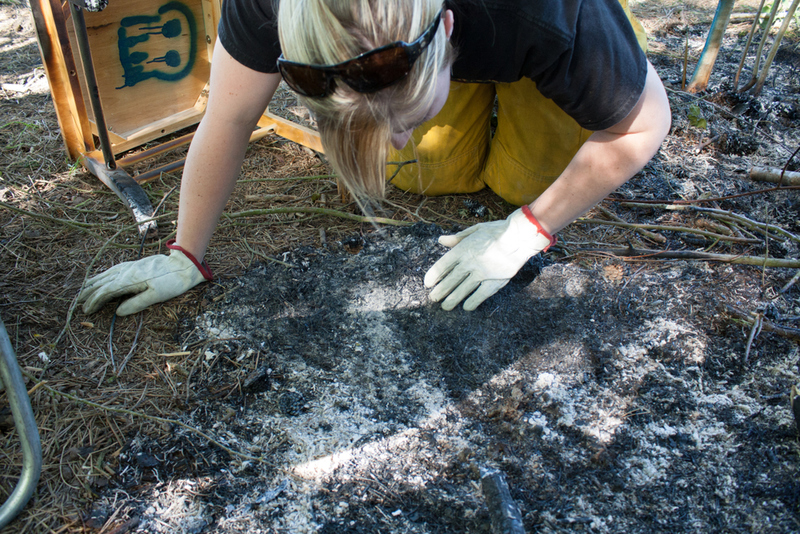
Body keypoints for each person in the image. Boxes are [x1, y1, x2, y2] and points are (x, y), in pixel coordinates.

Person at [78, 0, 671, 316]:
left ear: (446, 29)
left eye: (404, 119)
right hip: (464, 41)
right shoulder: (271, 7)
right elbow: (229, 116)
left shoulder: (546, 11)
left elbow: (644, 122)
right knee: (427, 172)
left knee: (531, 181)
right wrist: (187, 253)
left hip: (519, 32)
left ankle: (536, 86)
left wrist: (527, 230)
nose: (393, 139)